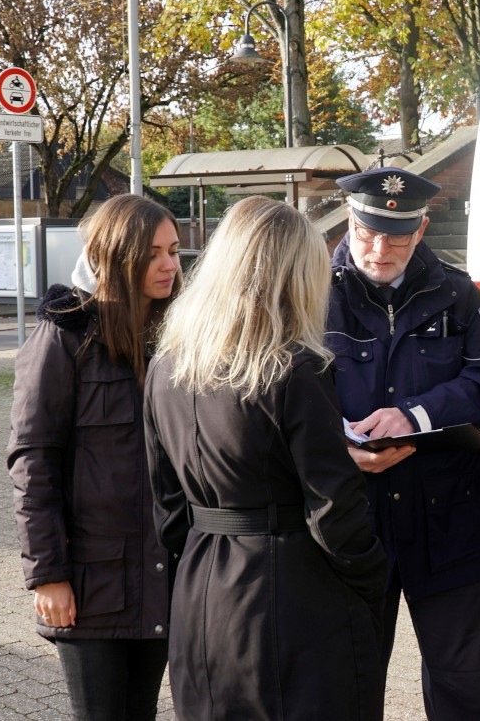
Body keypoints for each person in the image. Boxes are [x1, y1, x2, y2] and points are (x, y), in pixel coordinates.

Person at [144, 196, 388, 720]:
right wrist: (372, 578)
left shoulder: (166, 366)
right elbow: (334, 508)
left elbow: (165, 505)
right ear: (296, 274)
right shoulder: (294, 368)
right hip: (291, 595)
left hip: (203, 590)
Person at [326, 167, 480, 719]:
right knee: (349, 682)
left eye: (397, 237)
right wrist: (340, 445)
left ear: (423, 227)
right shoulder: (310, 289)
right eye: (366, 233)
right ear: (349, 221)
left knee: (466, 685)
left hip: (447, 519)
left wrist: (416, 415)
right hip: (352, 521)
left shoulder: (455, 291)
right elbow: (282, 391)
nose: (380, 249)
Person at [7, 194, 181, 720]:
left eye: (174, 251)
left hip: (161, 575)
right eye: (153, 253)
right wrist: (47, 576)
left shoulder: (179, 336)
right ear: (116, 256)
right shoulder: (64, 335)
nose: (170, 265)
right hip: (89, 583)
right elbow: (32, 463)